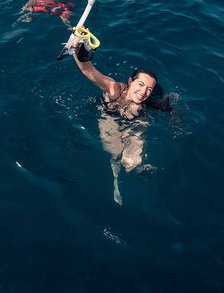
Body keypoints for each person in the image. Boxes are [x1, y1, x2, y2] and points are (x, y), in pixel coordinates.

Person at [72, 43, 175, 205]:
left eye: (149, 89)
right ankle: (115, 178)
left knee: (132, 162)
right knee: (114, 152)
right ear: (130, 81)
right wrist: (77, 51)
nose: (143, 92)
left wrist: (175, 116)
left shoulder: (147, 102)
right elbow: (89, 70)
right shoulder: (114, 90)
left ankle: (141, 177)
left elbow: (170, 103)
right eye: (140, 85)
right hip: (110, 117)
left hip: (136, 121)